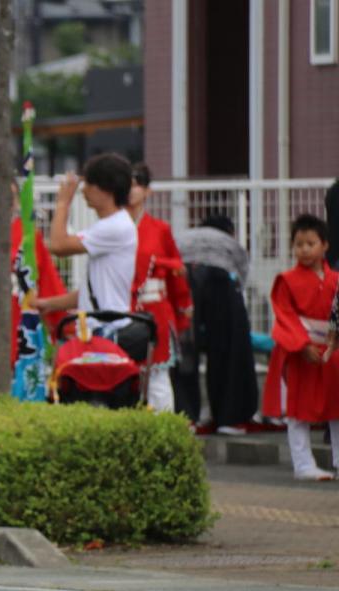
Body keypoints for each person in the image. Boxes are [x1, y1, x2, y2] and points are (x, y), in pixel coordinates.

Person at [262, 214, 339, 480]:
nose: (304, 249)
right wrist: (301, 344)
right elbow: (284, 315)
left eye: (310, 243)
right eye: (298, 244)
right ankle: (303, 464)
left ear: (325, 245)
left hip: (332, 349)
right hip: (301, 351)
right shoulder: (287, 279)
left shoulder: (335, 280)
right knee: (297, 409)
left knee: (337, 406)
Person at [0, 167, 67, 369]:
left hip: (24, 309)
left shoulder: (29, 236)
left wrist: (60, 322)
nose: (6, 200)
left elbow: (48, 280)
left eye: (11, 195)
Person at [175, 216, 259, 430]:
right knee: (228, 348)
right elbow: (241, 276)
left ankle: (185, 417)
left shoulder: (184, 237)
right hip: (221, 279)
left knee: (184, 348)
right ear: (230, 231)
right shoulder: (229, 242)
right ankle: (228, 418)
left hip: (183, 277)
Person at [35, 153, 137, 316]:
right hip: (103, 326)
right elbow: (90, 293)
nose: (83, 190)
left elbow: (58, 246)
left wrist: (63, 203)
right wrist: (47, 304)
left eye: (89, 184)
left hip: (106, 327)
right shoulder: (113, 224)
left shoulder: (115, 226)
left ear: (107, 189)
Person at [127, 164, 193, 412]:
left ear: (147, 191)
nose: (131, 191)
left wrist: (183, 307)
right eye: (128, 185)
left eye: (137, 185)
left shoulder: (160, 228)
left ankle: (163, 428)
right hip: (124, 308)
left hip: (156, 309)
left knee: (158, 375)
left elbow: (177, 270)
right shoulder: (114, 227)